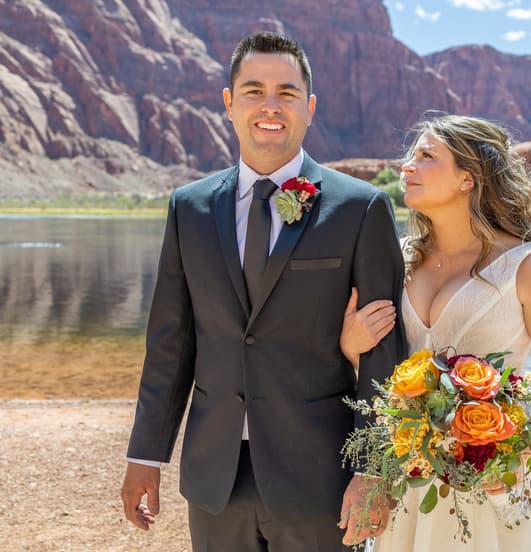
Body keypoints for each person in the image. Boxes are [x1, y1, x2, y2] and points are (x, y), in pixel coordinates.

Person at [120, 31, 407, 551]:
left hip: (321, 477)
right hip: (214, 477)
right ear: (229, 104)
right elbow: (171, 343)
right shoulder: (189, 208)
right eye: (253, 91)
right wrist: (146, 454)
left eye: (287, 93)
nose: (270, 106)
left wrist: (374, 470)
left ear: (310, 107)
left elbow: (385, 355)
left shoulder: (361, 209)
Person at [340, 114, 531, 551]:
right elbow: (388, 373)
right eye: (410, 156)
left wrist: (517, 451)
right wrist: (351, 347)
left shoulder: (530, 266)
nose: (406, 167)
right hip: (414, 474)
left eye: (426, 156)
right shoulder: (400, 259)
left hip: (499, 477)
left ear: (468, 178)